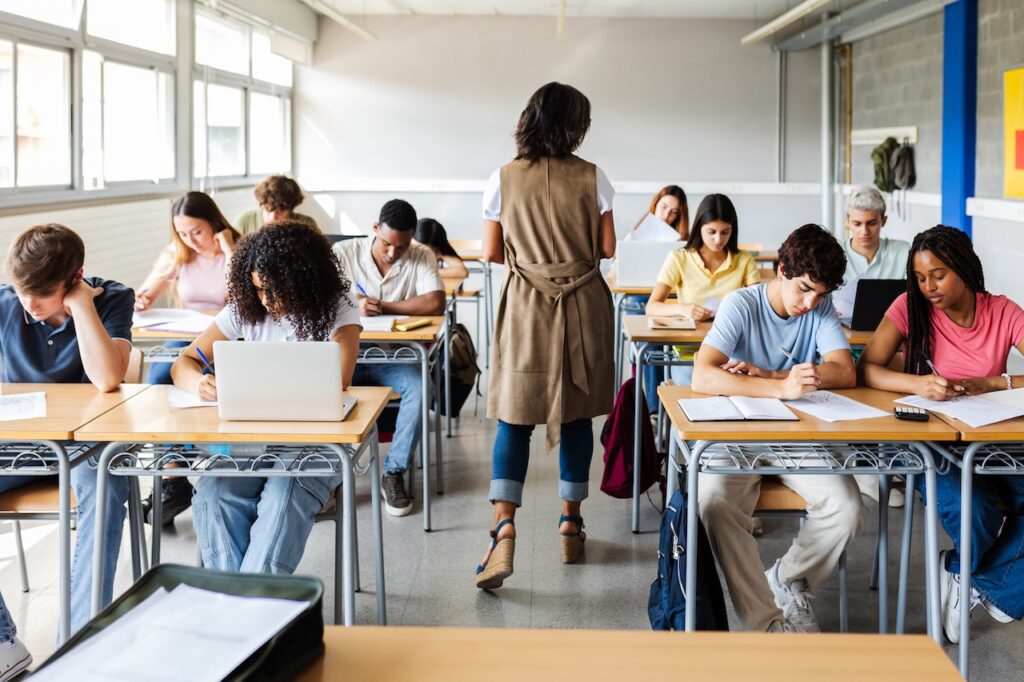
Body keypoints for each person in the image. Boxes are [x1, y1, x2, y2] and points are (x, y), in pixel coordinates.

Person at [474, 82, 616, 589]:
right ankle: (570, 522)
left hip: (527, 305)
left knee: (514, 418)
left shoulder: (503, 178)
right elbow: (608, 247)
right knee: (576, 417)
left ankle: (503, 527)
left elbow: (491, 252)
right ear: (575, 125)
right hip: (583, 303)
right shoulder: (594, 177)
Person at [690, 224, 861, 633]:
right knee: (713, 501)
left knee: (847, 507)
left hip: (793, 434)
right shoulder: (741, 305)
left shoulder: (818, 306)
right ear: (781, 270)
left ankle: (787, 580)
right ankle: (766, 623)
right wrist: (778, 387)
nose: (811, 302)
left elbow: (844, 370)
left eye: (820, 294)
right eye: (804, 288)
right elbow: (702, 375)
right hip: (736, 430)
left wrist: (774, 374)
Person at [858, 225, 1024, 643]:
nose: (928, 286)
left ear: (965, 269)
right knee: (974, 509)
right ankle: (992, 583)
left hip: (995, 441)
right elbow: (868, 369)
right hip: (933, 443)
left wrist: (995, 382)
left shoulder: (1003, 311)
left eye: (939, 274)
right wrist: (917, 384)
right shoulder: (908, 307)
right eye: (919, 276)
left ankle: (967, 575)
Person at [171, 221, 361, 573]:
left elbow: (341, 375)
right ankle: (238, 603)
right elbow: (184, 362)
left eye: (278, 290)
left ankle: (253, 605)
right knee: (214, 494)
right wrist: (197, 382)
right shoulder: (245, 310)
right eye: (259, 290)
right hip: (251, 441)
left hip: (318, 442)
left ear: (306, 282)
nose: (268, 301)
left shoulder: (337, 306)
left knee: (282, 496)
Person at [0, 224, 135, 678]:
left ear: (76, 277)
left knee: (104, 490)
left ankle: (76, 647)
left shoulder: (112, 299)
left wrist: (81, 308)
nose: (29, 306)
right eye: (22, 293)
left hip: (89, 445)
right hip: (18, 447)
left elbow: (106, 379)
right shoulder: (5, 305)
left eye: (41, 294)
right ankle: (3, 643)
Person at [333, 199, 445, 517]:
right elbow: (322, 299)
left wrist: (383, 305)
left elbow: (434, 302)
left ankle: (393, 472)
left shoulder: (421, 254)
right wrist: (354, 305)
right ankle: (326, 476)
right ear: (375, 229)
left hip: (395, 355)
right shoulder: (345, 253)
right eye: (386, 243)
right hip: (345, 355)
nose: (393, 253)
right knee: (318, 385)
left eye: (402, 245)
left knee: (421, 386)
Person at [135, 191, 240, 524]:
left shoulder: (237, 248)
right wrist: (141, 299)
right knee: (155, 380)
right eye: (181, 233)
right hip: (184, 335)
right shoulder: (177, 254)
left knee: (193, 378)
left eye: (196, 231)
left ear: (214, 222)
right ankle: (173, 474)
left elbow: (247, 294)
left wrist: (227, 248)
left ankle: (193, 473)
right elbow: (148, 293)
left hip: (228, 337)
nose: (189, 239)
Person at [832, 186, 911, 507]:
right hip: (843, 342)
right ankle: (863, 464)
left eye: (872, 224)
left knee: (901, 375)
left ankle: (884, 464)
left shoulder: (904, 252)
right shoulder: (834, 255)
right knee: (851, 376)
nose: (864, 231)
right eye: (857, 223)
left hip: (892, 344)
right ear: (847, 222)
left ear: (884, 221)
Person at [645, 193, 760, 387]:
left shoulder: (743, 260)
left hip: (732, 351)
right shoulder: (679, 258)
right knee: (697, 386)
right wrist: (684, 309)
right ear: (699, 227)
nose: (718, 239)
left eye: (725, 232)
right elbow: (652, 307)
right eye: (711, 231)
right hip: (689, 351)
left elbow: (759, 306)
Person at [619, 185, 689, 412]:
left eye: (674, 212)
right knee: (650, 344)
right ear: (655, 205)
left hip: (673, 299)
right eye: (664, 207)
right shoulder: (637, 233)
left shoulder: (683, 242)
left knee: (660, 344)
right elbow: (616, 267)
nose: (667, 215)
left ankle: (661, 405)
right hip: (642, 296)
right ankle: (653, 409)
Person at [235, 175, 318, 236]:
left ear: (291, 208)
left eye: (280, 211)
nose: (273, 217)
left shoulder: (306, 224)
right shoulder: (244, 221)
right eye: (267, 209)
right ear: (261, 205)